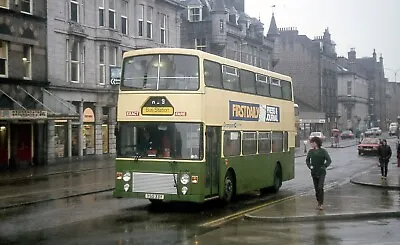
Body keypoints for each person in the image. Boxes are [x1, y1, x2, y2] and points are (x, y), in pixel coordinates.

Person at [306, 136, 332, 210]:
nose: (311, 144)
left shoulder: (323, 151)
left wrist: (324, 166)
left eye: (312, 143)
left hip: (321, 172)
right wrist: (310, 166)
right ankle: (318, 202)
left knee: (320, 187)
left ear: (316, 143)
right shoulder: (311, 151)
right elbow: (307, 160)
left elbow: (329, 160)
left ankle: (321, 204)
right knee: (316, 189)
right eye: (311, 143)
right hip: (314, 172)